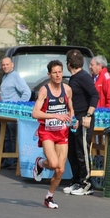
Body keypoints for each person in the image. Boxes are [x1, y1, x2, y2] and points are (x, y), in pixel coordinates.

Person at [32, 60, 76, 209]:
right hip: (47, 132)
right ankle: (40, 163)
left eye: (60, 72)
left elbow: (71, 109)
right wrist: (56, 116)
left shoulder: (67, 90)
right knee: (53, 164)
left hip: (62, 131)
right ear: (49, 74)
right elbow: (35, 113)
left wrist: (72, 119)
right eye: (54, 72)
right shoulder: (44, 90)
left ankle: (49, 197)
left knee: (60, 169)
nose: (58, 75)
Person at [63, 49, 99, 196]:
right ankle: (76, 180)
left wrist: (88, 115)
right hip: (74, 119)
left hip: (84, 118)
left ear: (68, 63)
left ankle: (86, 183)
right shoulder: (74, 77)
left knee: (82, 151)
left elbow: (94, 95)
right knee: (72, 151)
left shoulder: (83, 76)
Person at [0, 57, 31, 169]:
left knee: (13, 137)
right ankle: (7, 160)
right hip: (5, 112)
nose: (5, 66)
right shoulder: (5, 77)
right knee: (7, 137)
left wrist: (19, 106)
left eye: (7, 64)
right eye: (3, 65)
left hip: (13, 113)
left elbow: (27, 92)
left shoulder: (16, 76)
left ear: (12, 65)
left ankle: (14, 161)